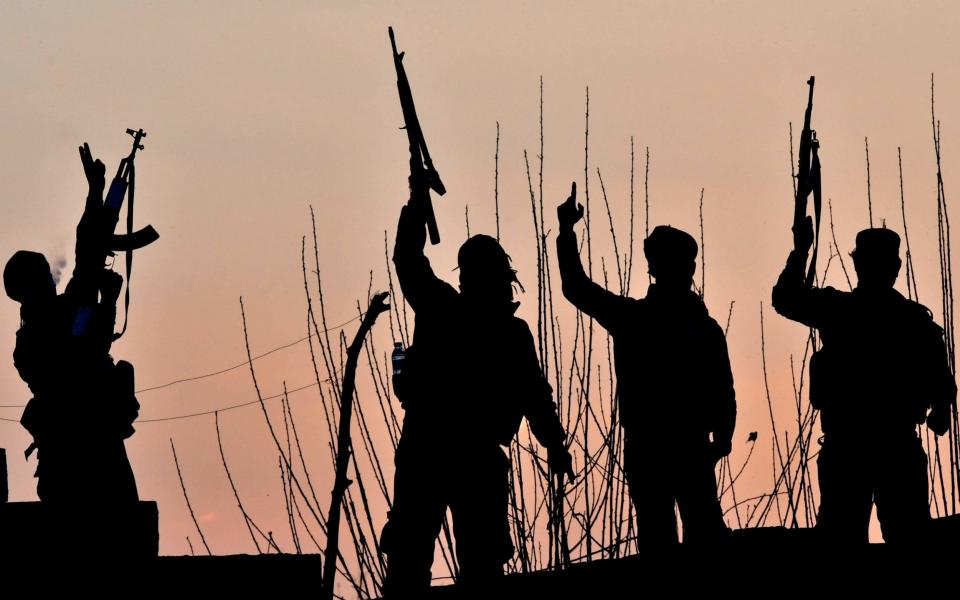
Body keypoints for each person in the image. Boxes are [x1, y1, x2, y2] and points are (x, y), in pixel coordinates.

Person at [382, 186, 573, 594]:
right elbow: (535, 397)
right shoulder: (503, 330)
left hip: (436, 452)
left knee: (423, 560)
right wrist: (554, 445)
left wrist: (417, 206)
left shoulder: (445, 310)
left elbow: (408, 261)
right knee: (439, 561)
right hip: (453, 455)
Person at [555, 182, 735, 544]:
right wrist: (723, 437)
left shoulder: (637, 319)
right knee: (694, 537)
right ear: (689, 268)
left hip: (657, 447)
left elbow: (576, 287)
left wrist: (566, 233)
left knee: (664, 538)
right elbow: (723, 392)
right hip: (679, 446)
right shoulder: (698, 326)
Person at [772, 216, 955, 543]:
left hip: (851, 449)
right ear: (896, 266)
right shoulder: (915, 322)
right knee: (907, 535)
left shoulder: (839, 310)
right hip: (892, 448)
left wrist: (801, 250)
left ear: (857, 264)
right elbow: (942, 391)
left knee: (844, 537)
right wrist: (939, 409)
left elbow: (786, 298)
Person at [4, 143, 139, 505]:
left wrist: (97, 197)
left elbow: (87, 259)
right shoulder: (45, 331)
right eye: (44, 275)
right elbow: (84, 349)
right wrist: (95, 198)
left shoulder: (30, 339)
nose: (51, 279)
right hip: (84, 448)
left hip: (79, 448)